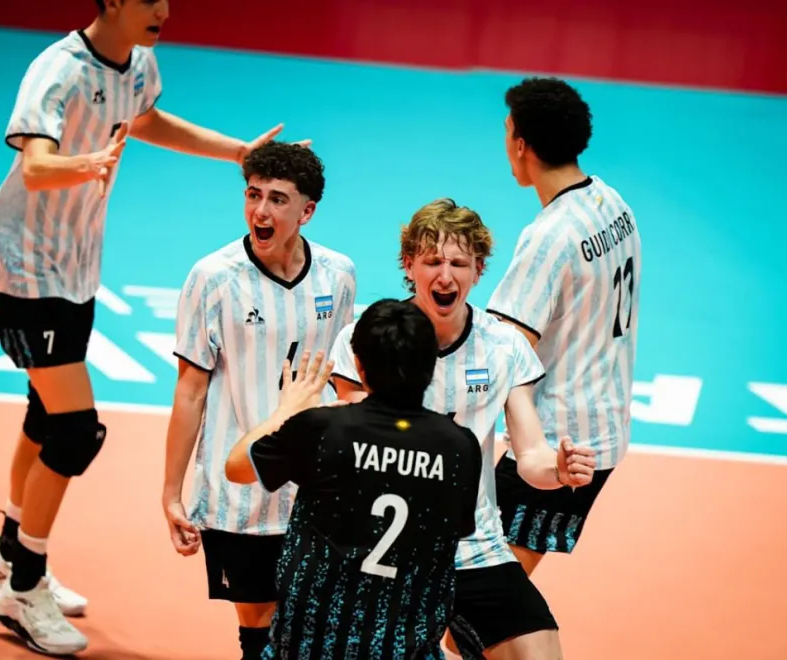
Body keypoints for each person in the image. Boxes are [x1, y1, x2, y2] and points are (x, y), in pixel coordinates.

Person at [0, 0, 310, 655]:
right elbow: (37, 166)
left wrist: (238, 153)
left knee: (45, 416)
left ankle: (7, 554)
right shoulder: (58, 71)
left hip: (73, 264)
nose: (163, 9)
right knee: (74, 431)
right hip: (25, 266)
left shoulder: (139, 64)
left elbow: (144, 119)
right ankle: (24, 585)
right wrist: (89, 164)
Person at [329, 199, 596, 660]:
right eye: (432, 262)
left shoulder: (503, 347)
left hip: (473, 547)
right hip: (384, 550)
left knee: (541, 654)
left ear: (479, 269)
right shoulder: (370, 339)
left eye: (458, 263)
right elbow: (355, 446)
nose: (445, 276)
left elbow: (529, 457)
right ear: (409, 264)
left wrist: (558, 468)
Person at [162, 141, 357, 660]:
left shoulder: (338, 275)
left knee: (313, 627)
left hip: (315, 492)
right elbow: (190, 390)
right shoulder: (213, 278)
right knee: (259, 630)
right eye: (253, 195)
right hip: (239, 494)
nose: (261, 211)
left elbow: (343, 381)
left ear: (307, 211)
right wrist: (171, 492)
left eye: (277, 199)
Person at [223, 300, 483, 659]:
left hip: (310, 647)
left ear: (359, 365)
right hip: (404, 648)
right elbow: (454, 533)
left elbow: (236, 467)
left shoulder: (324, 428)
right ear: (432, 362)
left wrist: (287, 411)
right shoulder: (460, 447)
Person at [488, 76, 642, 577]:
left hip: (556, 446)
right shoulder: (612, 203)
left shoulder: (548, 238)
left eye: (508, 131)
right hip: (604, 431)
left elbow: (504, 351)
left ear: (521, 145)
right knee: (485, 607)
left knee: (478, 612)